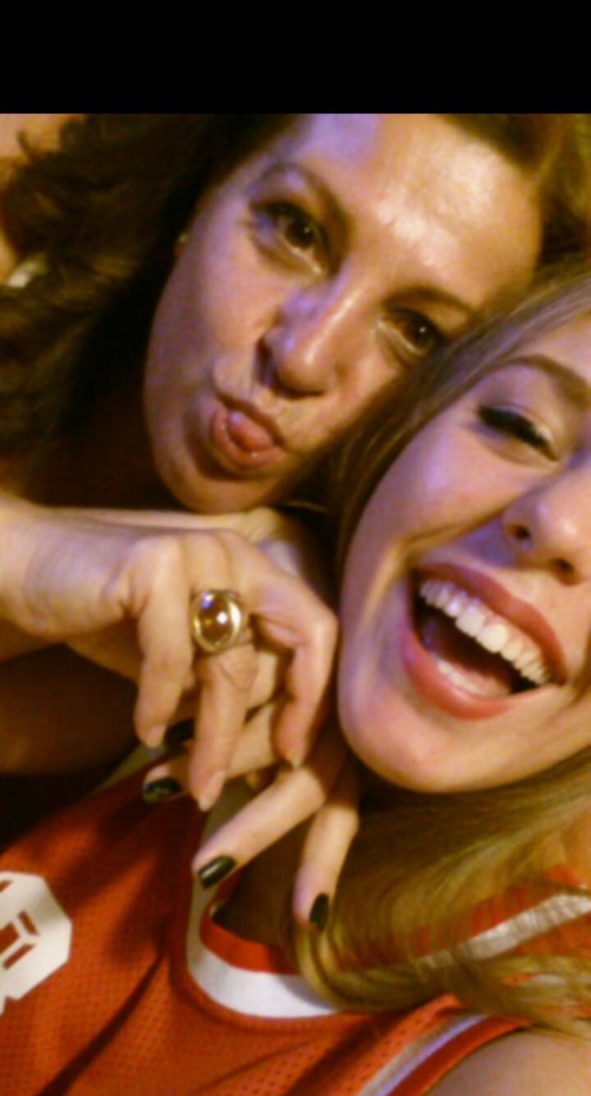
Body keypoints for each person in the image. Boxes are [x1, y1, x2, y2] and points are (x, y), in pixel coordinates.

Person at [3, 264, 591, 1096]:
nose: (555, 523)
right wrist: (41, 556)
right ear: (407, 426)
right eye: (520, 426)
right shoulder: (196, 667)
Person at [1, 113, 590, 868]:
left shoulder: (264, 626)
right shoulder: (22, 189)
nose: (303, 357)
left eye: (416, 332)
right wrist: (29, 556)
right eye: (296, 231)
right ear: (208, 190)